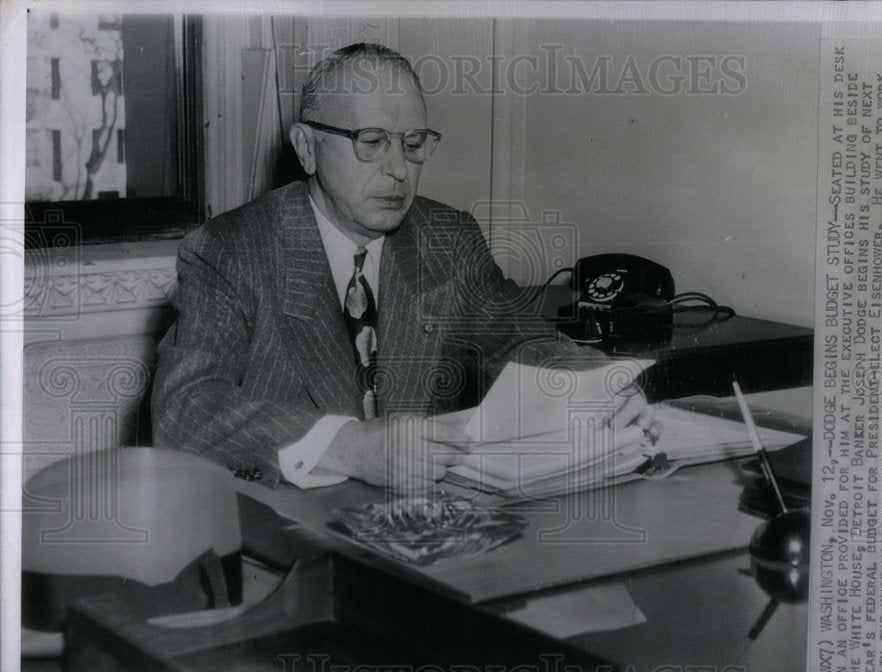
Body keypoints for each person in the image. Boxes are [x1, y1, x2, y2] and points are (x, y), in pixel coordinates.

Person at [152, 43, 657, 493]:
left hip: (421, 529)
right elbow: (186, 409)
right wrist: (350, 446)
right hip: (293, 530)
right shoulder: (233, 249)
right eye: (371, 142)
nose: (398, 169)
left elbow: (520, 339)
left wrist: (596, 387)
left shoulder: (445, 237)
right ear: (306, 147)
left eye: (413, 144)